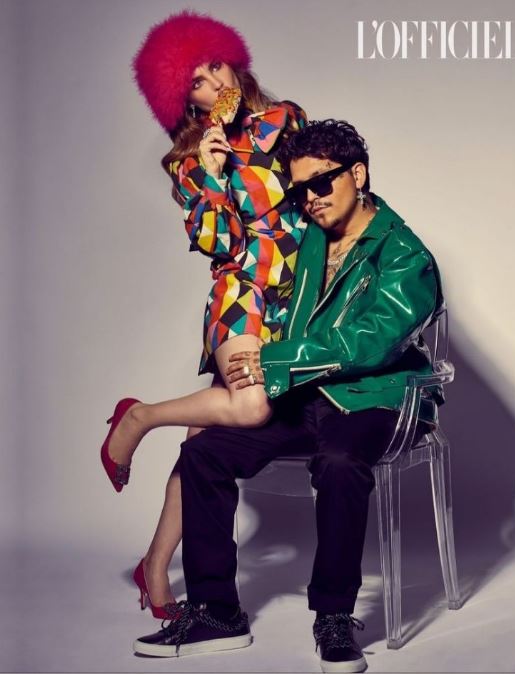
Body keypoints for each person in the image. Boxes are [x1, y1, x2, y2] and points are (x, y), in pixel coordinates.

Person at [132, 119, 445, 673]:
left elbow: (370, 342)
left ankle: (333, 615)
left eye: (321, 183)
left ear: (358, 175)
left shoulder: (405, 254)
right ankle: (216, 612)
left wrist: (274, 360)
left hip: (377, 398)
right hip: (307, 395)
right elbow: (235, 249)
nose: (311, 199)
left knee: (340, 460)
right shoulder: (310, 240)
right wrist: (211, 178)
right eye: (300, 190)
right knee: (203, 453)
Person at [99, 11, 307, 617]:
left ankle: (153, 567)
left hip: (294, 299)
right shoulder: (188, 160)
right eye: (195, 81)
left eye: (214, 66)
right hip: (242, 294)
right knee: (250, 406)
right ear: (183, 101)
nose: (213, 84)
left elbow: (320, 199)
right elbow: (218, 243)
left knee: (201, 446)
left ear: (232, 61)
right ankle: (138, 417)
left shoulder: (286, 120)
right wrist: (212, 176)